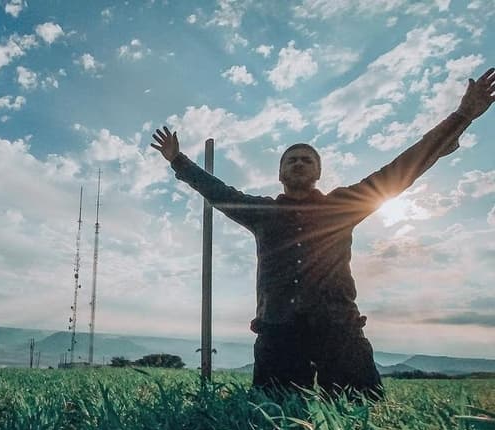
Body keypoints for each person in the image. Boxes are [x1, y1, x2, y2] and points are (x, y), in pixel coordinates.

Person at [151, 68, 495, 398]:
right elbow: (218, 191)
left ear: (318, 171)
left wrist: (462, 116)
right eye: (291, 160)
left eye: (306, 159)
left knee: (361, 411)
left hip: (339, 328)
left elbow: (402, 168)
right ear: (280, 172)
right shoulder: (262, 213)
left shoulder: (343, 205)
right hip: (278, 331)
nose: (299, 163)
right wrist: (178, 160)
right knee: (272, 415)